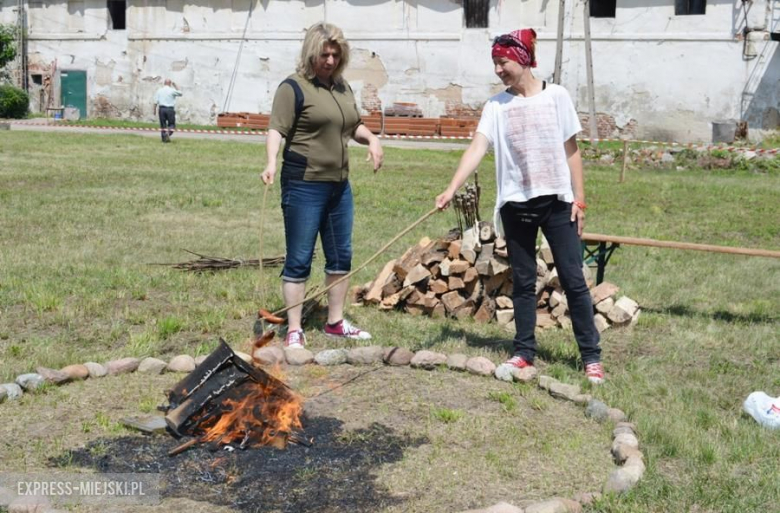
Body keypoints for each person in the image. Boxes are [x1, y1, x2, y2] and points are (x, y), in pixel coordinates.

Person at [435, 29, 605, 384]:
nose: (498, 69)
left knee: (573, 279)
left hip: (557, 204)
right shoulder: (496, 106)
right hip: (517, 206)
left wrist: (580, 199)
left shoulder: (557, 96)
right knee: (524, 281)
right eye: (495, 62)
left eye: (503, 61)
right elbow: (477, 148)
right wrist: (451, 188)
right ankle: (524, 352)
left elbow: (572, 151)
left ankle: (591, 357)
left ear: (523, 59)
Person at [261, 22, 384, 349]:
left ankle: (335, 322)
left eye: (335, 54)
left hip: (338, 187)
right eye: (323, 54)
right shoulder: (294, 87)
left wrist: (371, 139)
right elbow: (277, 130)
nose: (329, 61)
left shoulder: (342, 87)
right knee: (300, 258)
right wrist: (272, 162)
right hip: (304, 185)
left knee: (341, 255)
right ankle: (295, 329)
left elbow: (353, 124)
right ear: (311, 53)